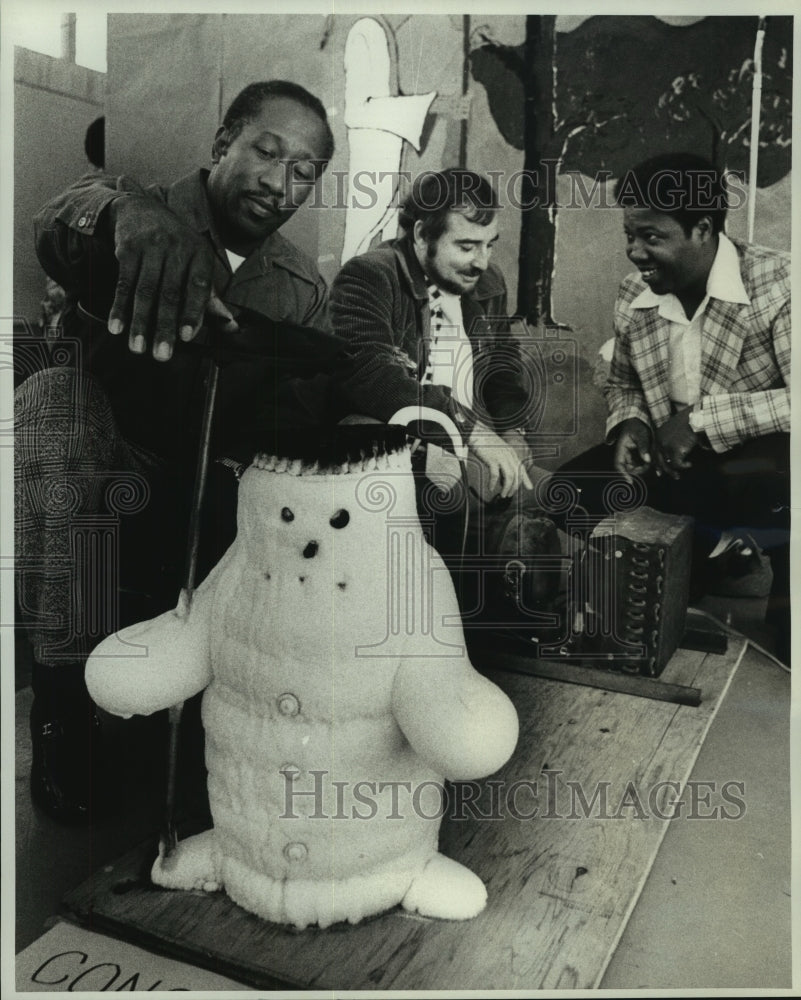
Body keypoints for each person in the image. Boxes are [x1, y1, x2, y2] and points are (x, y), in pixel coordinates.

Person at [16, 80, 341, 823]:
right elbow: (56, 222)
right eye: (266, 149)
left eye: (304, 170)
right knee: (50, 405)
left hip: (216, 501)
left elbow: (296, 422)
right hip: (108, 480)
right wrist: (130, 217)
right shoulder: (137, 209)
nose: (279, 180)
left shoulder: (299, 287)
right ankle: (61, 708)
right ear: (223, 141)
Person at [557, 152, 790, 662]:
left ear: (702, 229)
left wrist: (701, 422)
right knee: (566, 495)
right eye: (629, 236)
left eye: (652, 237)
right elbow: (622, 381)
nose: (635, 253)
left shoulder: (781, 284)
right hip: (675, 462)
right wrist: (631, 424)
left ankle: (755, 566)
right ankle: (715, 558)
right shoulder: (633, 294)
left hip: (754, 463)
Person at [330, 167, 560, 621]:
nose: (481, 261)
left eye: (489, 244)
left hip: (471, 449)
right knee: (456, 504)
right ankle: (455, 626)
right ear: (421, 235)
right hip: (394, 448)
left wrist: (512, 433)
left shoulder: (487, 285)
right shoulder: (369, 276)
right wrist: (474, 433)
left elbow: (502, 371)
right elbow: (370, 374)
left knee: (565, 500)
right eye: (466, 246)